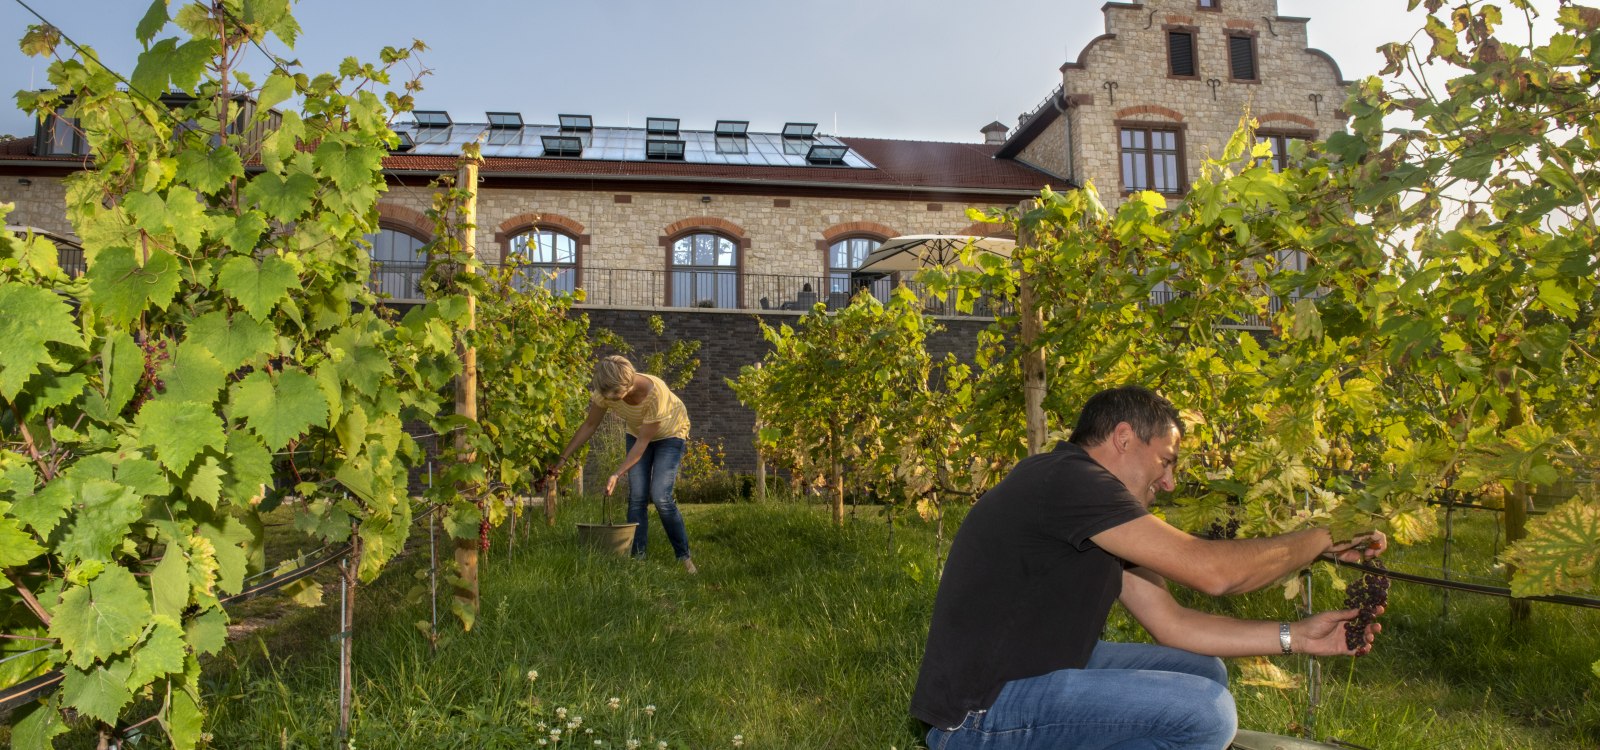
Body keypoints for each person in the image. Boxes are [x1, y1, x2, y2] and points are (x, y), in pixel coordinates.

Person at [911, 385, 1387, 749]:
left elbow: (1172, 623)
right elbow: (1214, 573)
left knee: (1205, 674)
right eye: (1165, 460)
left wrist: (1298, 636)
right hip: (978, 716)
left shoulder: (1086, 502)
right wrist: (1324, 535)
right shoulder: (1070, 481)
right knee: (1207, 712)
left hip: (1035, 672)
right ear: (1123, 438)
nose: (1170, 481)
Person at [546, 355, 696, 573]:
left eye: (616, 396)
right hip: (637, 433)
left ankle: (684, 558)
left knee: (661, 496)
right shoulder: (607, 390)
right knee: (637, 497)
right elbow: (590, 425)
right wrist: (562, 459)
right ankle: (638, 560)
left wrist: (617, 473)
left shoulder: (656, 394)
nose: (612, 401)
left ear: (628, 384)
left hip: (670, 434)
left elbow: (644, 443)